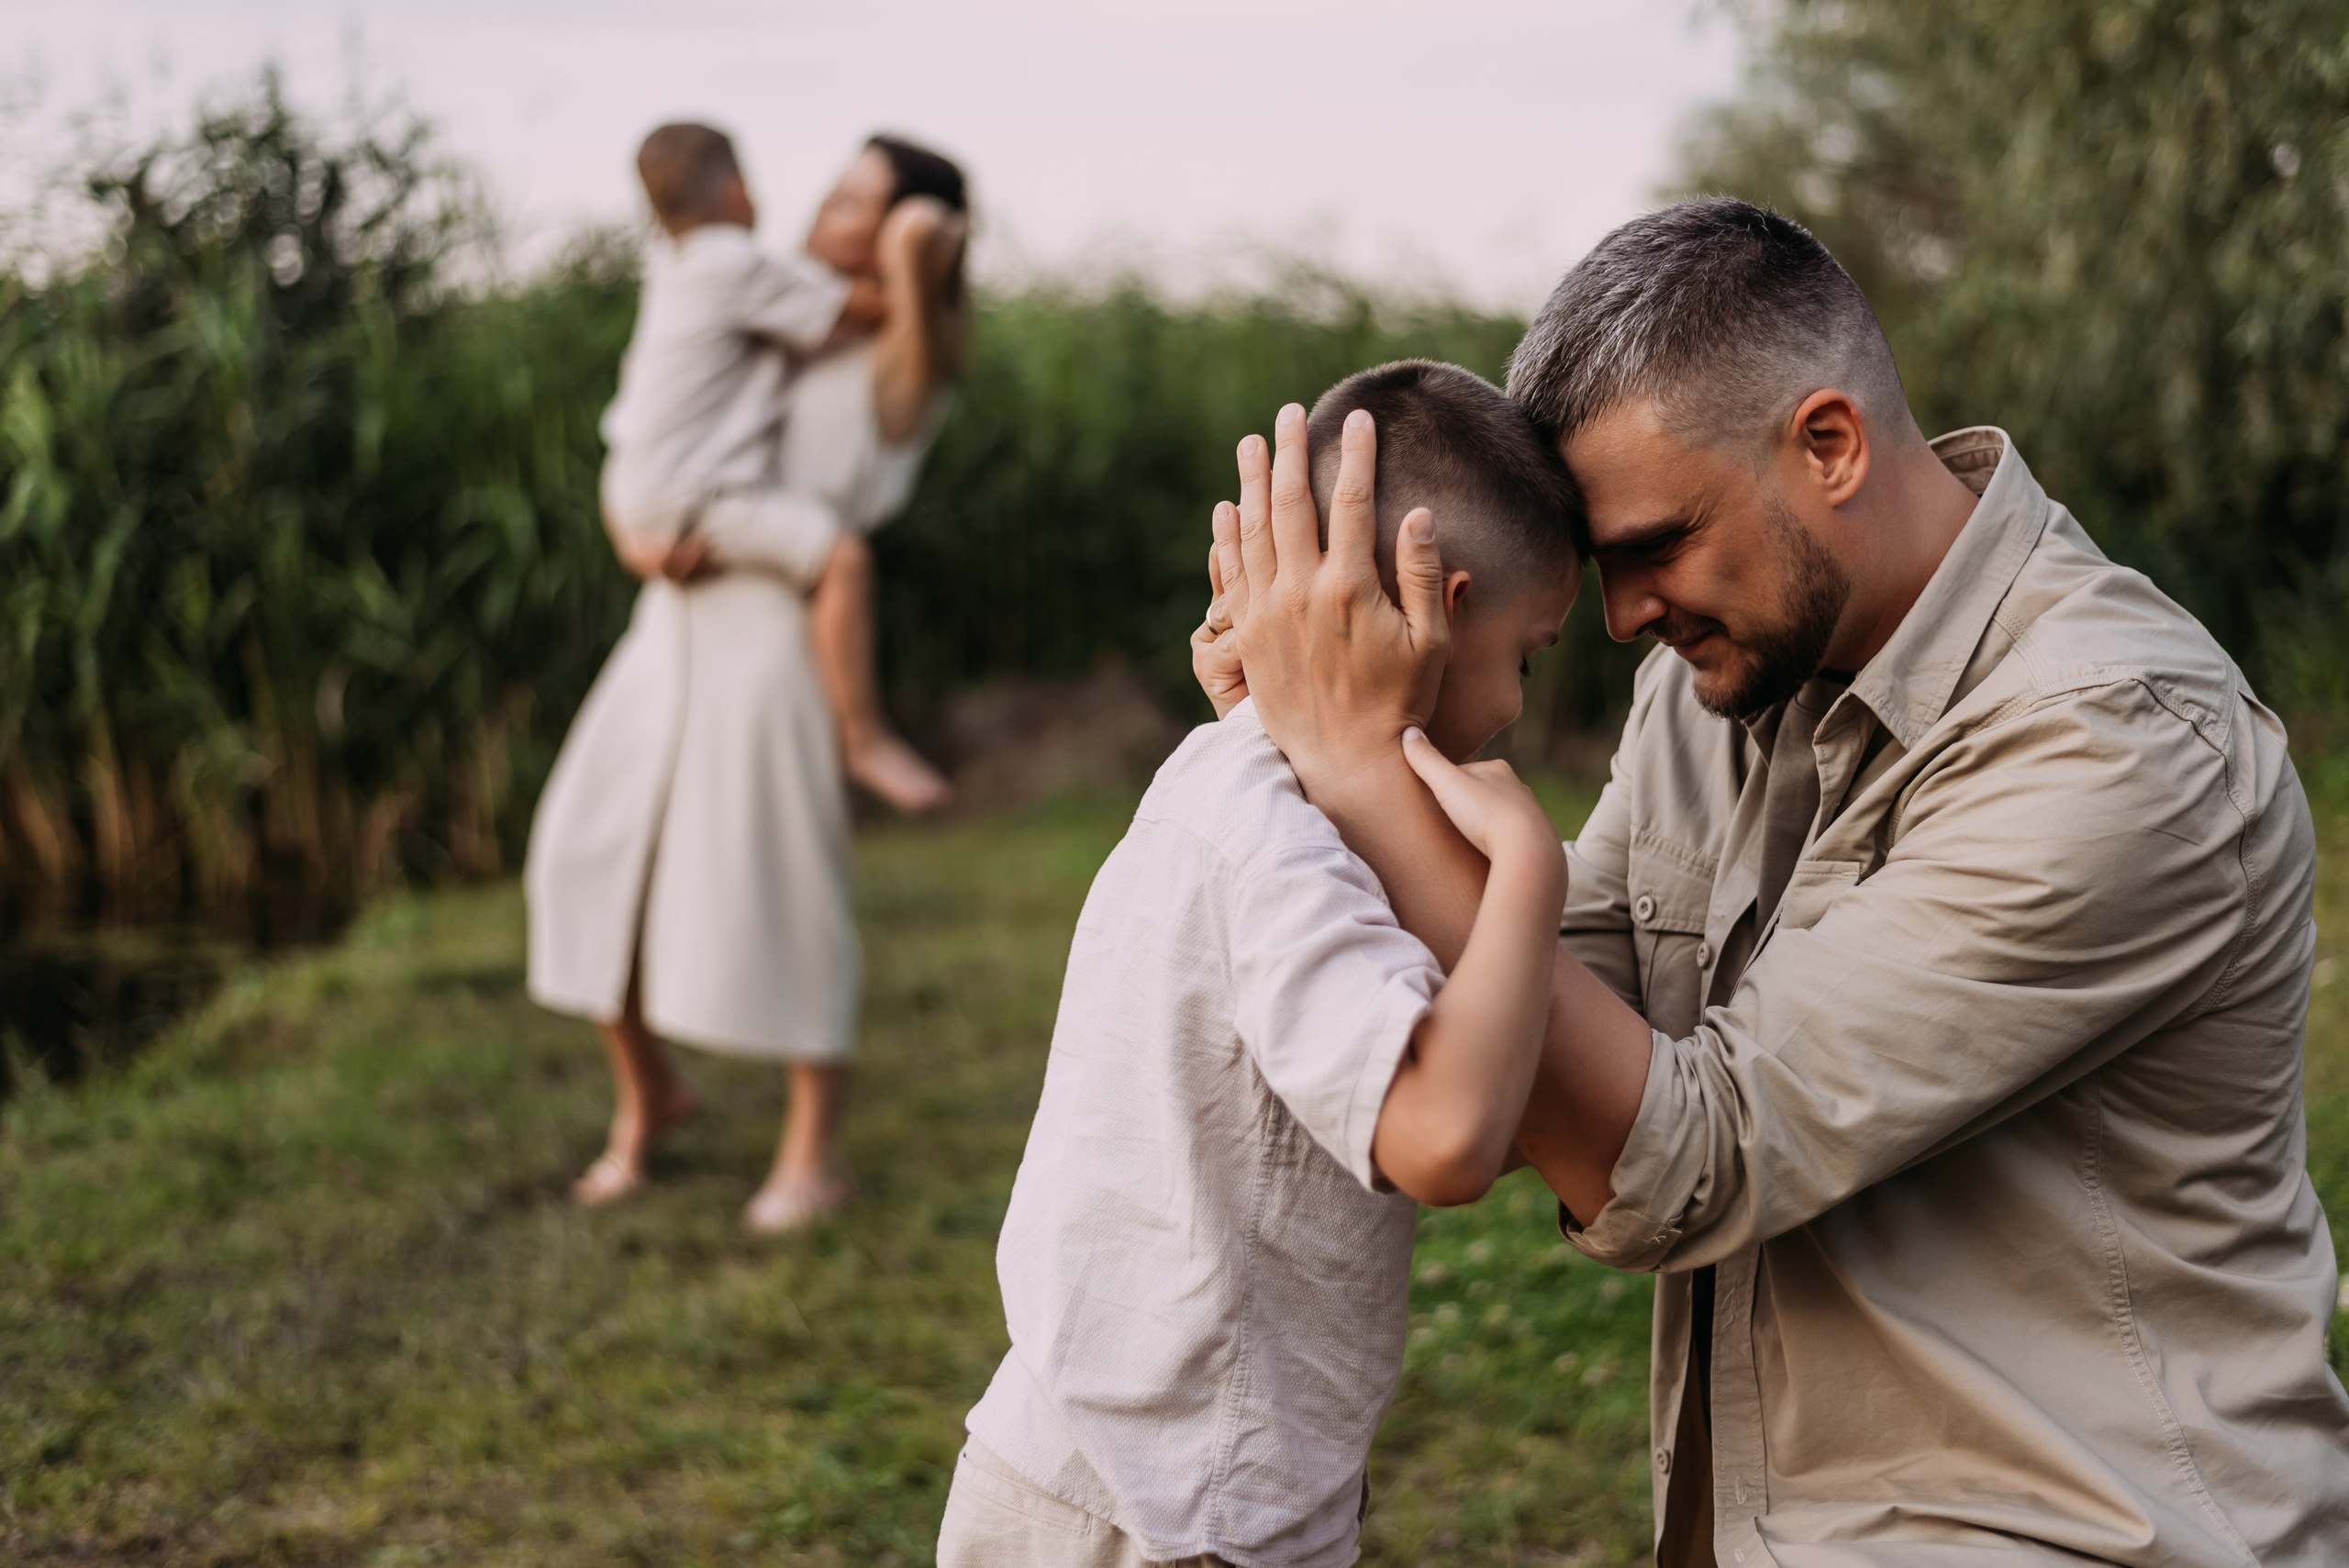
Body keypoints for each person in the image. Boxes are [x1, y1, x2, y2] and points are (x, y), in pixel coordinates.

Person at [1197, 201, 2349, 1565]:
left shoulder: (2118, 738)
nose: (1624, 613)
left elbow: (1693, 1146)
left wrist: (1355, 771)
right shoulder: (1716, 683)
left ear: (1829, 445)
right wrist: (1303, 745)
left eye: (1656, 543)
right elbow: (1527, 1035)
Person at [939, 362, 1586, 1568]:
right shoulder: (1278, 844)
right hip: (1172, 1516)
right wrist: (1528, 878)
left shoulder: (1224, 773)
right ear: (1432, 613)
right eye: (1531, 654)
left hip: (1098, 1471)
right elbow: (1447, 1136)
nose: (1514, 704)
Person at [524, 126, 967, 1232]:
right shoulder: (758, 295)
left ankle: (810, 1153)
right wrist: (639, 535)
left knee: (782, 877)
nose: (836, 211)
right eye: (842, 191)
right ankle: (650, 1098)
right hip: (674, 611)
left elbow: (885, 426)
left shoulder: (905, 347)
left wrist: (917, 265)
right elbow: (652, 422)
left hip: (783, 627)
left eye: (872, 205)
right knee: (588, 854)